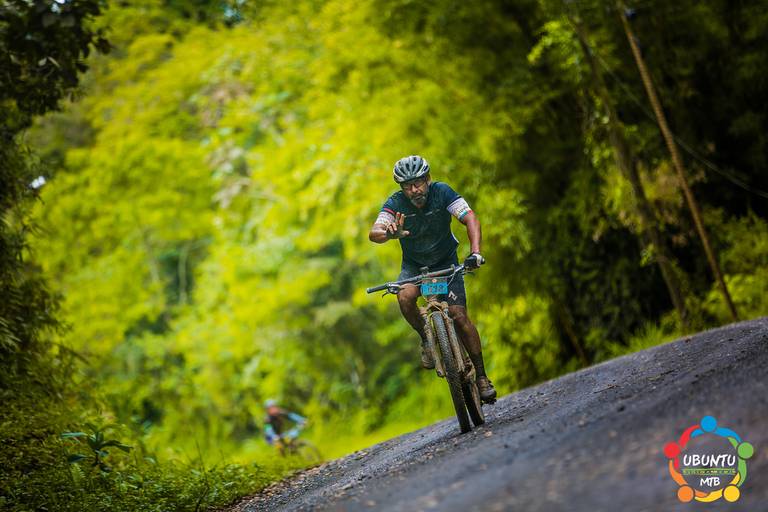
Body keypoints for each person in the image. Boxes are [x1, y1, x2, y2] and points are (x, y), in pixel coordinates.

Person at [368, 155, 496, 403]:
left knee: (459, 316)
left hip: (446, 262)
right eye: (407, 186)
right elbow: (375, 232)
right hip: (414, 267)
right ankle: (426, 337)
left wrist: (476, 252)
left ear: (427, 179)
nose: (414, 190)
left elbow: (470, 218)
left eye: (418, 182)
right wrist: (389, 234)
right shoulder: (395, 203)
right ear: (401, 188)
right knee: (404, 297)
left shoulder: (442, 192)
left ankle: (482, 377)